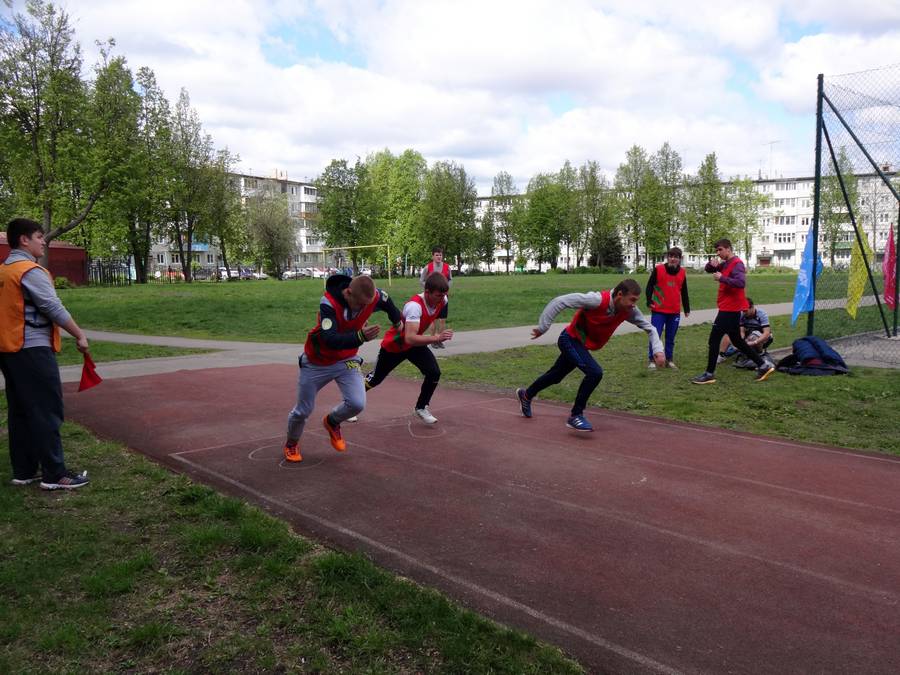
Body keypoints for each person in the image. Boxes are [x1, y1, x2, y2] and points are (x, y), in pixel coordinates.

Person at [0, 218, 91, 489]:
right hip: (33, 348)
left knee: (20, 411)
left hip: (9, 350)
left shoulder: (3, 271)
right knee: (46, 410)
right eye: (39, 236)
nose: (44, 241)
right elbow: (53, 307)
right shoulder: (30, 271)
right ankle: (55, 474)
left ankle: (24, 470)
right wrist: (79, 334)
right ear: (23, 240)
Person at [516, 279, 665, 432]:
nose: (633, 304)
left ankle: (526, 395)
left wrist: (658, 350)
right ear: (620, 294)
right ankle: (576, 415)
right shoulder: (596, 300)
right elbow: (560, 301)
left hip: (581, 345)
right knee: (595, 372)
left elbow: (650, 328)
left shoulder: (629, 310)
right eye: (632, 300)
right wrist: (543, 327)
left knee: (556, 375)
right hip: (569, 339)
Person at [283, 273, 401, 462]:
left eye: (367, 305)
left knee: (357, 403)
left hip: (346, 360)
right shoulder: (328, 304)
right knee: (303, 411)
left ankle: (332, 421)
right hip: (317, 362)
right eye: (361, 305)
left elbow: (386, 301)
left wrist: (398, 321)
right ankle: (291, 443)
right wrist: (360, 337)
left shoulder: (369, 297)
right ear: (347, 293)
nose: (365, 309)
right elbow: (330, 339)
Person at [364, 273, 453, 424]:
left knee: (433, 372)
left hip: (414, 345)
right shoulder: (414, 306)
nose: (442, 298)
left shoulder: (443, 300)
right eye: (438, 295)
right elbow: (409, 337)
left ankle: (421, 407)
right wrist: (437, 338)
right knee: (374, 380)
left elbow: (418, 334)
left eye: (444, 294)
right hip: (395, 346)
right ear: (427, 293)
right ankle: (350, 402)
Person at [691, 239, 775, 385]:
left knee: (714, 340)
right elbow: (709, 269)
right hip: (728, 307)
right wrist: (711, 265)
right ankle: (763, 365)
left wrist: (722, 278)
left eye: (720, 250)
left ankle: (709, 374)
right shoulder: (726, 263)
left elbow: (741, 283)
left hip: (730, 309)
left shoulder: (737, 264)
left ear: (729, 249)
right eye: (717, 250)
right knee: (737, 341)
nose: (718, 252)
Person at [645, 246, 691, 369]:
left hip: (674, 311)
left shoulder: (682, 272)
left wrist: (687, 308)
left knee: (670, 337)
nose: (672, 259)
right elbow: (649, 286)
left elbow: (684, 291)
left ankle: (669, 359)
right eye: (670, 256)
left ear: (679, 259)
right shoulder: (659, 269)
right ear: (667, 258)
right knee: (655, 335)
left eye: (675, 257)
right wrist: (649, 301)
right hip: (659, 310)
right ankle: (652, 360)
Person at [724, 298, 774, 368]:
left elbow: (766, 333)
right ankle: (722, 355)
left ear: (752, 307)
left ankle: (760, 353)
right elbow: (741, 332)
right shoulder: (742, 315)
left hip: (763, 338)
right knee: (730, 332)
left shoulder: (761, 314)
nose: (744, 313)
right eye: (742, 311)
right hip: (749, 336)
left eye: (745, 311)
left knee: (754, 335)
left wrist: (755, 342)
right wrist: (741, 342)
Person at [419, 246, 452, 349]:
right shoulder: (428, 267)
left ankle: (440, 340)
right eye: (437, 255)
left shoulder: (447, 267)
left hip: (443, 297)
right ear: (433, 256)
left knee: (442, 319)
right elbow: (421, 280)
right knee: (433, 320)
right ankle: (433, 340)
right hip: (431, 298)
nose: (439, 257)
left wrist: (446, 288)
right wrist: (429, 289)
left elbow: (450, 279)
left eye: (440, 255)